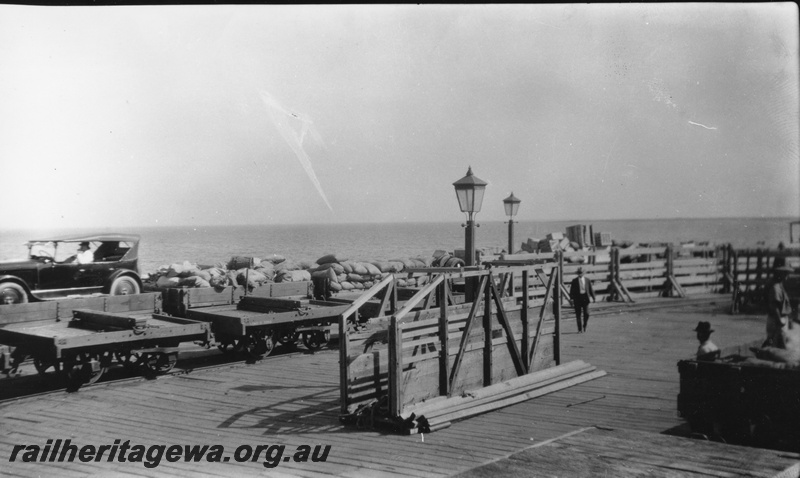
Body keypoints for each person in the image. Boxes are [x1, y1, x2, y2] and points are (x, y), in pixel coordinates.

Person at [765, 265, 793, 347]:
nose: (787, 276)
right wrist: (779, 322)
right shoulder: (776, 287)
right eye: (785, 274)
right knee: (779, 346)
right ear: (780, 274)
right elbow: (774, 306)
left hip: (777, 318)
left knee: (775, 344)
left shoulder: (779, 285)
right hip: (777, 319)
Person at [570, 267, 595, 333]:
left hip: (585, 298)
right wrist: (571, 299)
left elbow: (590, 289)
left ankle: (584, 326)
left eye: (581, 273)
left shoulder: (587, 280)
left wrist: (593, 297)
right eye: (579, 273)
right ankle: (580, 329)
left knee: (586, 313)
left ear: (583, 273)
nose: (580, 275)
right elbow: (572, 291)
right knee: (578, 314)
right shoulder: (574, 281)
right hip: (577, 299)